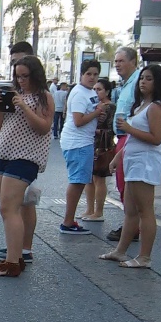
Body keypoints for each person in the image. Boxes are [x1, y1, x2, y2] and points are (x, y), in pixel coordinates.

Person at [0, 53, 52, 277]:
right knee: (5, 208)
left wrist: (24, 106)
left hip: (26, 156)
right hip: (4, 153)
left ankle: (13, 262)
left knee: (9, 207)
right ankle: (14, 257)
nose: (21, 80)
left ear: (35, 75)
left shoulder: (43, 97)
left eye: (25, 76)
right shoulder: (16, 94)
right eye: (18, 76)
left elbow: (43, 127)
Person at [100, 65, 161, 269]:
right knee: (130, 210)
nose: (143, 82)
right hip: (133, 160)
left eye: (148, 79)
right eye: (141, 78)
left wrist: (129, 128)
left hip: (145, 163)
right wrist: (117, 158)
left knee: (144, 210)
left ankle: (144, 257)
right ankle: (120, 251)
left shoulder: (156, 107)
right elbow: (132, 140)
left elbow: (156, 139)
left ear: (157, 83)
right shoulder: (141, 106)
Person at [58, 60, 101, 234]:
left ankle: (69, 220)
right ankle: (68, 222)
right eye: (88, 74)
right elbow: (78, 120)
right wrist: (98, 112)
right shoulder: (79, 94)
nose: (92, 77)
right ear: (81, 75)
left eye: (95, 74)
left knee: (80, 181)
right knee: (77, 181)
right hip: (78, 142)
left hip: (85, 141)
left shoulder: (89, 92)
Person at [107, 47, 141, 244]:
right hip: (122, 137)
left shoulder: (137, 82)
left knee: (127, 185)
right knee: (122, 184)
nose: (117, 64)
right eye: (116, 61)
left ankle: (133, 226)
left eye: (121, 61)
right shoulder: (127, 84)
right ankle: (132, 224)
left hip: (130, 137)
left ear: (133, 61)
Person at [82, 77, 117, 221]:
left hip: (103, 146)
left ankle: (99, 211)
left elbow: (111, 129)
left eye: (99, 89)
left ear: (107, 91)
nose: (96, 92)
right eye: (94, 89)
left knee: (99, 179)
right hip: (90, 143)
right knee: (89, 179)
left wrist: (94, 130)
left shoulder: (110, 107)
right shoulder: (94, 105)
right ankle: (89, 209)